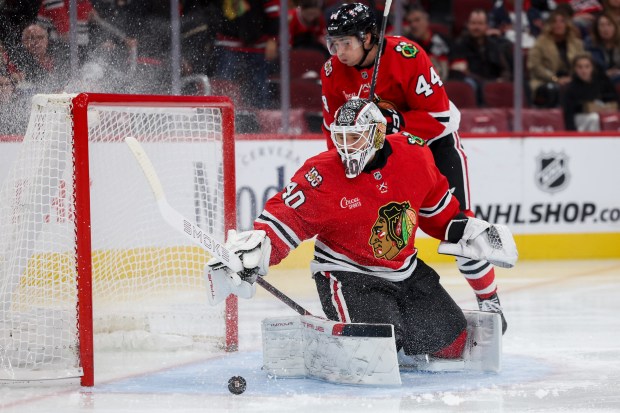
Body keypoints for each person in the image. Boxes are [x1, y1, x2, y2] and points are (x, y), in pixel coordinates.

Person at [207, 98, 517, 359]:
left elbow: (438, 212)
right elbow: (284, 220)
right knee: (377, 347)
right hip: (348, 276)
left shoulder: (415, 155)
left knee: (453, 345)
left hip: (405, 272)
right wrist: (254, 252)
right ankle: (330, 343)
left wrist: (463, 230)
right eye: (340, 138)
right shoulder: (322, 175)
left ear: (378, 134)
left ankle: (386, 335)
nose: (345, 148)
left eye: (354, 137)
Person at [319, 3, 508, 333]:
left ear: (368, 37)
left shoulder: (407, 56)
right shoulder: (333, 72)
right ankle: (379, 304)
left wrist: (397, 121)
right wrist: (347, 166)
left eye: (345, 43)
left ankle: (489, 298)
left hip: (434, 150)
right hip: (383, 160)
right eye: (333, 44)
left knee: (460, 227)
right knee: (381, 232)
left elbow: (443, 118)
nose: (338, 52)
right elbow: (334, 131)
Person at [450, 8, 513, 104]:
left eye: (480, 24)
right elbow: (461, 73)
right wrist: (485, 83)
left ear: (486, 26)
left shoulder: (494, 45)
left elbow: (505, 69)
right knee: (471, 84)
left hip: (493, 83)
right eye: (473, 23)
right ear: (468, 25)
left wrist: (502, 79)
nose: (476, 27)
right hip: (475, 84)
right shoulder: (459, 45)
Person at [527, 9, 585, 107]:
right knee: (555, 89)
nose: (558, 24)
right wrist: (555, 79)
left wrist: (573, 78)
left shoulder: (577, 43)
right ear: (549, 25)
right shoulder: (540, 43)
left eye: (562, 21)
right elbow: (535, 66)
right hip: (546, 80)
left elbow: (583, 63)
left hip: (572, 79)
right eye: (554, 21)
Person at [561, 53, 619, 131]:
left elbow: (614, 98)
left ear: (592, 68)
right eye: (580, 67)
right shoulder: (571, 88)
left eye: (587, 66)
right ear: (575, 69)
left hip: (603, 114)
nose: (583, 70)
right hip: (581, 118)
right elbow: (568, 114)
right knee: (593, 117)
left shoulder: (602, 82)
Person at [404, 6, 451, 80]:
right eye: (410, 22)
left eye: (417, 20)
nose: (413, 25)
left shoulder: (442, 40)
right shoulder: (408, 45)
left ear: (426, 20)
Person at [586, 12, 620, 85]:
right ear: (597, 29)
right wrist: (605, 74)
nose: (606, 29)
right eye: (602, 25)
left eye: (609, 24)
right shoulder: (590, 44)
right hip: (598, 81)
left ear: (615, 27)